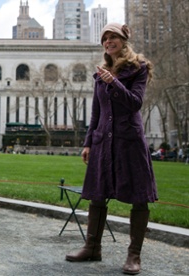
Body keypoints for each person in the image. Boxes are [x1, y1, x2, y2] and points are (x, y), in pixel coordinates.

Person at [65, 23, 158, 275]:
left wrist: (114, 83)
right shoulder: (101, 73)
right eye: (105, 38)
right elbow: (96, 113)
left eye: (113, 37)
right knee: (97, 194)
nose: (108, 41)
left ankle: (134, 256)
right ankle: (92, 247)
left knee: (139, 197)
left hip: (129, 142)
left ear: (123, 41)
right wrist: (88, 142)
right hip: (103, 142)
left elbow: (135, 103)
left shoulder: (138, 68)